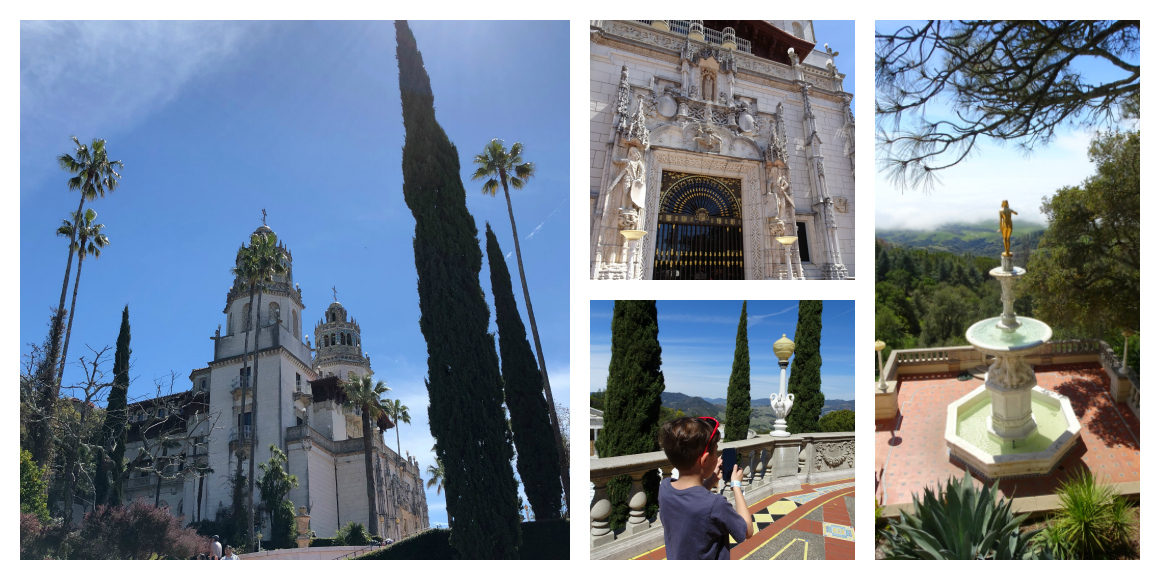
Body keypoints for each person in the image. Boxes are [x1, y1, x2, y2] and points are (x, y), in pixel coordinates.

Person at [657, 416, 754, 559]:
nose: (717, 457)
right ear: (705, 459)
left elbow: (691, 500)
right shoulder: (715, 504)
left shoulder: (665, 488)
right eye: (715, 452)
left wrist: (711, 480)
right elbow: (746, 531)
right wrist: (736, 485)